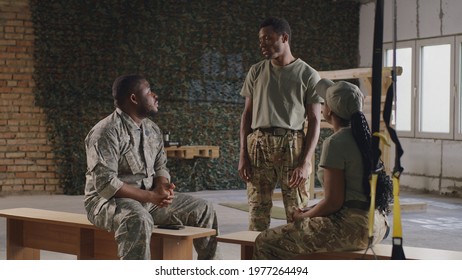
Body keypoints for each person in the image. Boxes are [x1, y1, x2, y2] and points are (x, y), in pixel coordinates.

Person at [84, 74, 220, 260]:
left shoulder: (152, 129)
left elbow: (160, 165)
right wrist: (151, 196)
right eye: (149, 92)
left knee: (203, 209)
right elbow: (106, 184)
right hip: (105, 203)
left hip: (148, 201)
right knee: (138, 219)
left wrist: (162, 187)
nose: (155, 95)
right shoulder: (106, 132)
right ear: (134, 98)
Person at [253, 79, 390, 259]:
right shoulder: (366, 138)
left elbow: (334, 202)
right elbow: (347, 196)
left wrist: (303, 217)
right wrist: (310, 211)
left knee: (264, 241)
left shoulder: (335, 142)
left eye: (324, 103)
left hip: (354, 227)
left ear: (329, 111)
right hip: (378, 224)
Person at [238, 16, 323, 231]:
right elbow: (246, 115)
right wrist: (243, 155)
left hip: (292, 146)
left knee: (297, 215)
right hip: (258, 146)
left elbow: (315, 121)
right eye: (260, 40)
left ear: (284, 37)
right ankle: (255, 261)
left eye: (268, 38)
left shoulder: (309, 75)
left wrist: (305, 162)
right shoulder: (256, 71)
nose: (263, 45)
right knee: (257, 214)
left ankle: (296, 264)